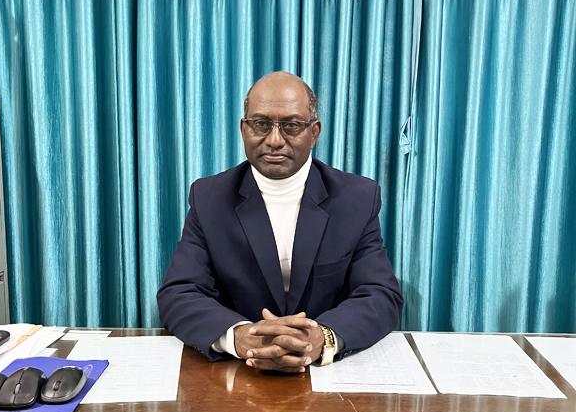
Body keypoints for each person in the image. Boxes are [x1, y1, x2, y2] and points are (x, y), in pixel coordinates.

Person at [157, 71, 403, 373]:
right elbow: (179, 292)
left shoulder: (357, 198)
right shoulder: (209, 197)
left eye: (292, 125)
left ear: (314, 132)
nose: (274, 140)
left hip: (326, 374)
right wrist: (240, 337)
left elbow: (380, 294)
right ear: (244, 129)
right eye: (261, 124)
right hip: (238, 371)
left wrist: (322, 338)